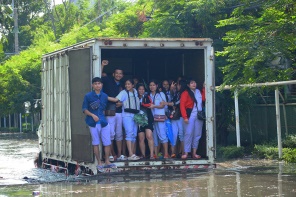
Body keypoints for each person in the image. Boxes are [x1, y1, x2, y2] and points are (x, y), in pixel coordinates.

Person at [82, 77, 116, 171]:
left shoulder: (104, 96)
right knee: (96, 142)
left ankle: (107, 161)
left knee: (107, 142)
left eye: (99, 83)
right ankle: (99, 162)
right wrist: (92, 115)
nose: (98, 85)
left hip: (104, 122)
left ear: (102, 85)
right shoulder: (88, 96)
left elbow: (104, 108)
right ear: (93, 85)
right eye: (96, 84)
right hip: (93, 122)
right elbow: (84, 109)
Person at [108, 79, 141, 160]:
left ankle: (132, 153)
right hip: (126, 116)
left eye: (129, 84)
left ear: (133, 85)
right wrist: (104, 96)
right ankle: (130, 153)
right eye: (126, 84)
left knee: (134, 134)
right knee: (129, 133)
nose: (127, 86)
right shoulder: (123, 92)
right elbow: (116, 100)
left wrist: (123, 103)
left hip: (135, 115)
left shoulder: (135, 92)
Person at [101, 60, 126, 161]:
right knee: (111, 133)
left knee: (119, 134)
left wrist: (122, 103)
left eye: (120, 74)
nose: (118, 75)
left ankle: (119, 154)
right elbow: (97, 77)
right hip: (109, 111)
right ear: (113, 74)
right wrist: (102, 65)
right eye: (117, 73)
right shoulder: (107, 80)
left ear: (122, 75)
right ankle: (111, 153)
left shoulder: (124, 84)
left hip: (120, 111)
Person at [180, 78, 203, 159]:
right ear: (188, 85)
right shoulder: (185, 93)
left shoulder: (198, 92)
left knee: (197, 134)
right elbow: (182, 106)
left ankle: (194, 153)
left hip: (198, 115)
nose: (194, 84)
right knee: (188, 133)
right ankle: (186, 153)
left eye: (195, 82)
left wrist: (204, 88)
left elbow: (203, 99)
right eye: (192, 83)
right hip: (190, 116)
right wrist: (185, 117)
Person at [163, 79, 187, 158]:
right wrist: (171, 89)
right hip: (174, 116)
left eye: (178, 85)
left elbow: (176, 103)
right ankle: (173, 153)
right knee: (174, 134)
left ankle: (183, 153)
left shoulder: (183, 94)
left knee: (181, 134)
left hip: (180, 116)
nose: (177, 86)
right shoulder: (176, 93)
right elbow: (171, 99)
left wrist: (166, 103)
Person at [148, 80, 169, 159]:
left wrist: (154, 106)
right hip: (152, 118)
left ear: (156, 86)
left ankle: (166, 153)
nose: (152, 87)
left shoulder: (160, 94)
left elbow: (163, 105)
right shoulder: (149, 95)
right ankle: (155, 154)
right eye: (150, 85)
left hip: (160, 117)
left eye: (153, 85)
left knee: (162, 135)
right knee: (154, 136)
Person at [137, 83, 155, 159]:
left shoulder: (147, 97)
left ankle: (151, 155)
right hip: (139, 119)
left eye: (143, 89)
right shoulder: (135, 97)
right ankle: (143, 155)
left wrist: (143, 104)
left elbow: (151, 105)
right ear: (137, 90)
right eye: (140, 89)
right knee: (141, 138)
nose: (141, 91)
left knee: (149, 136)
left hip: (148, 118)